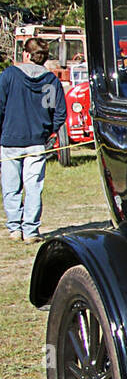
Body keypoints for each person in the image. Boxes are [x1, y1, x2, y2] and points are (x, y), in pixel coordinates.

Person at [1, 36, 66, 243]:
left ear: (26, 54)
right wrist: (49, 132)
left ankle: (15, 229)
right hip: (37, 142)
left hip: (11, 140)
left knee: (11, 187)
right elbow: (60, 112)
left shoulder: (9, 75)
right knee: (33, 188)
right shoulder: (52, 80)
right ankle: (30, 231)